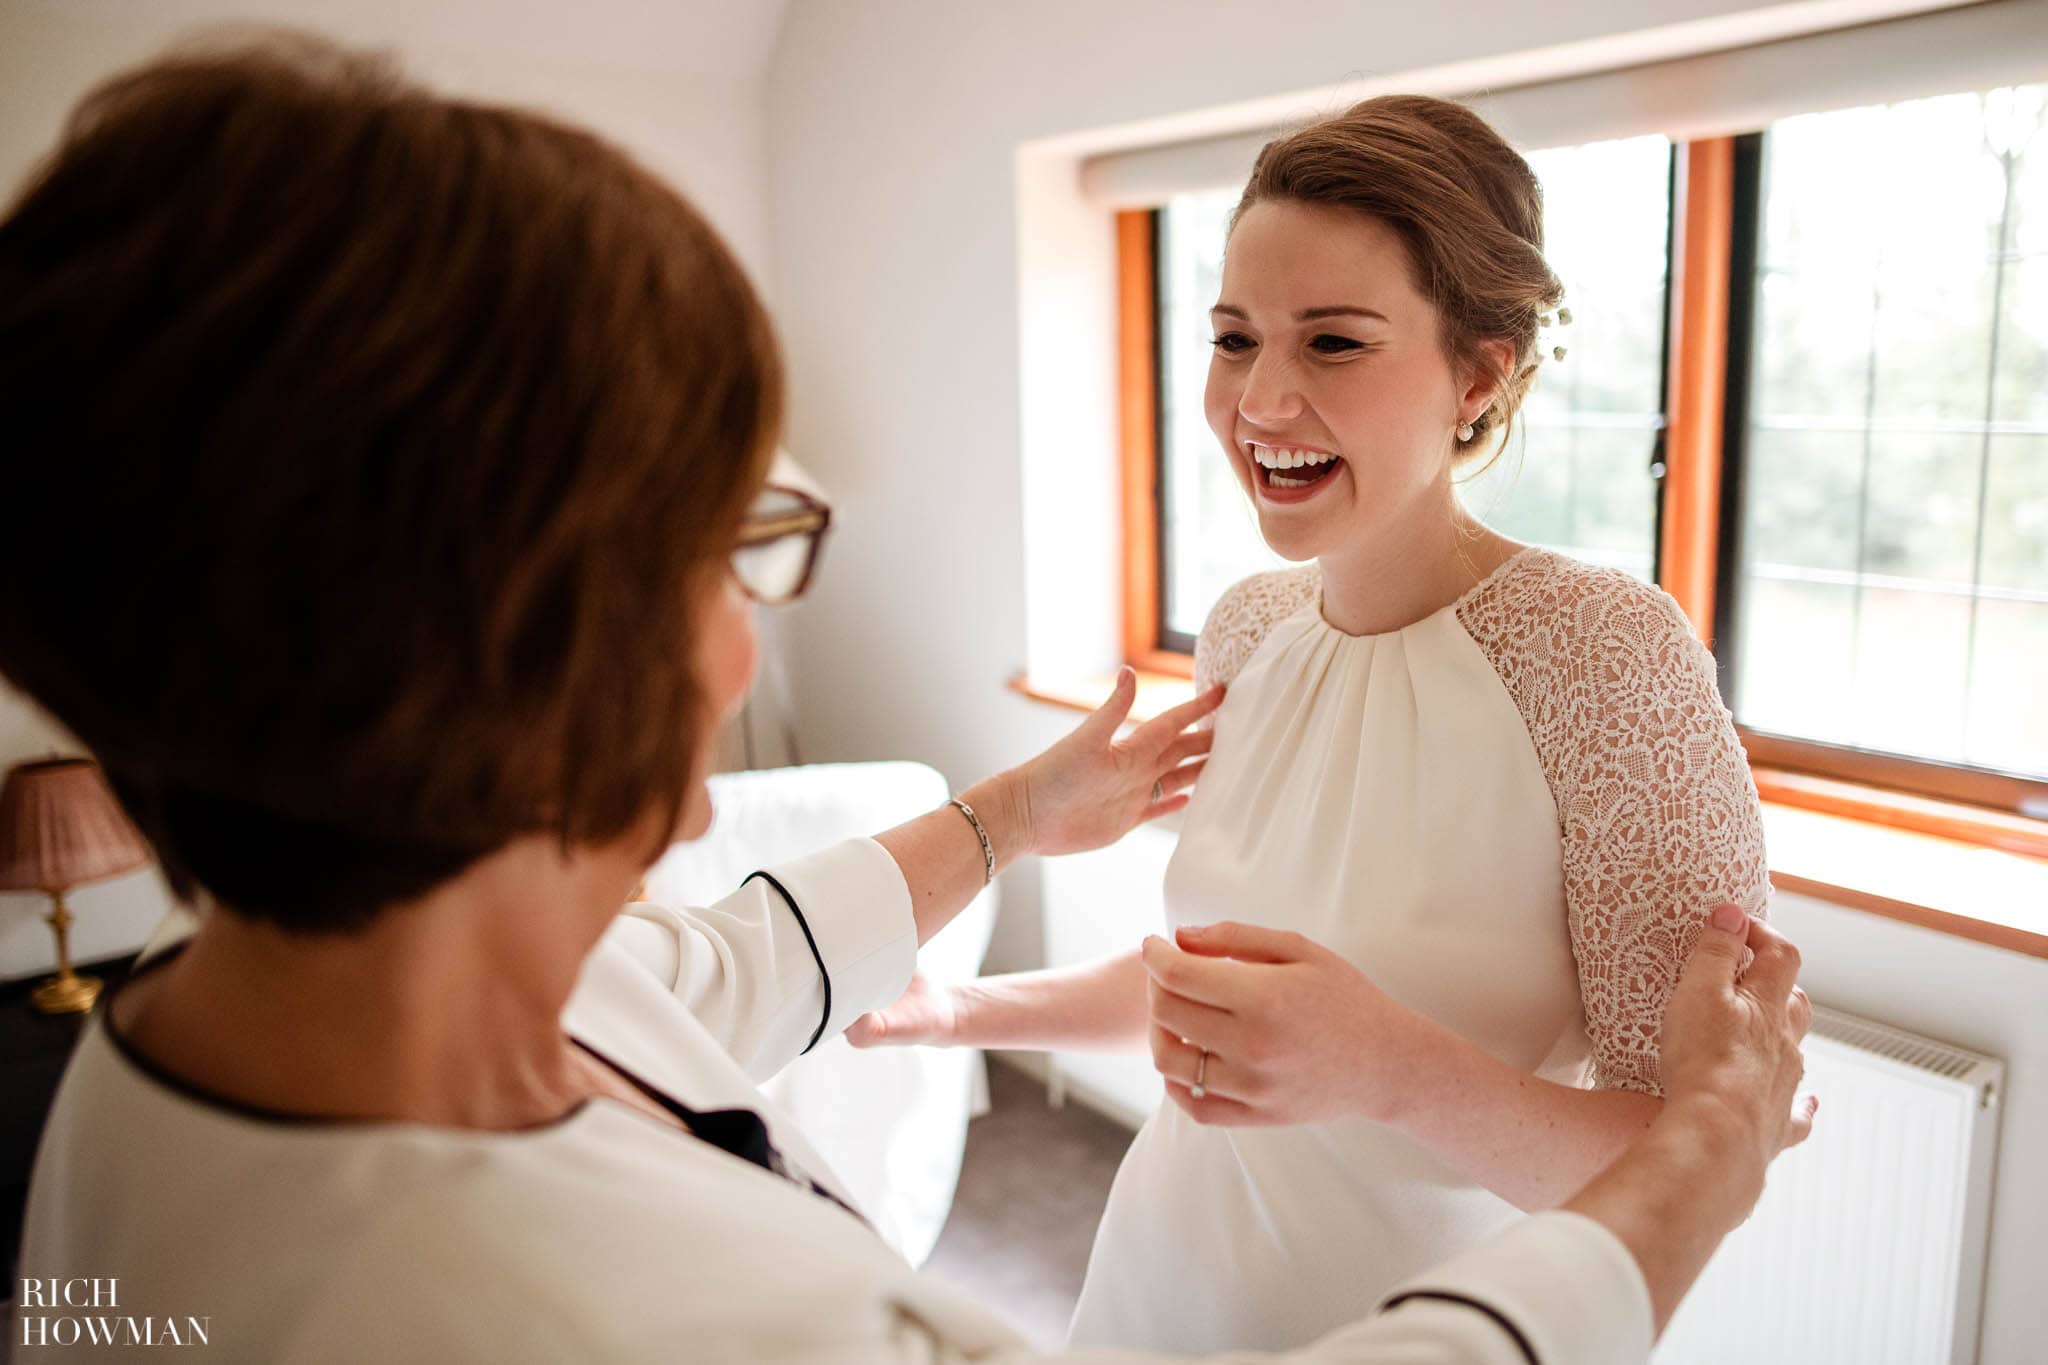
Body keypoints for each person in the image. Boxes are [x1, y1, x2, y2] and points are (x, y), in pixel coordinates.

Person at [0, 38, 1811, 1363]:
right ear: (461, 634)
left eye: (1331, 339)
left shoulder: (141, 1079)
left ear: (1478, 378)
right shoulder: (695, 1322)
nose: (733, 655)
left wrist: (987, 922)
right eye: (708, 555)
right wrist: (1679, 1161)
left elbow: (708, 972)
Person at [851, 96, 1786, 1354]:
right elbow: (1228, 994)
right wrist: (961, 1013)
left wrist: (1392, 1067)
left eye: (1333, 343)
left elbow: (1697, 1147)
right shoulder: (1245, 628)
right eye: (1233, 339)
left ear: (1477, 372)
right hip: (1149, 1295)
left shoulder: (1604, 659)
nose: (1260, 400)